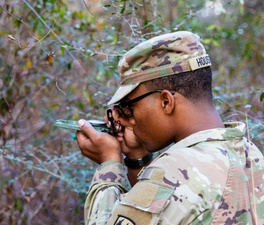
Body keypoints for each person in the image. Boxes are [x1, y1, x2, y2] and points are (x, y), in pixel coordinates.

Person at [75, 31, 264, 225]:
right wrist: (136, 157)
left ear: (166, 101)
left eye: (129, 107)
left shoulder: (175, 171)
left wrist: (109, 164)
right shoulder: (251, 155)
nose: (125, 119)